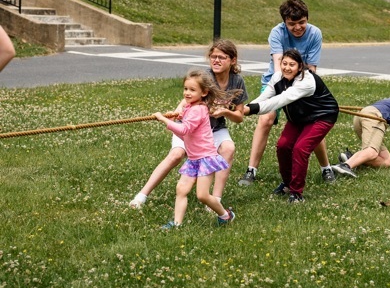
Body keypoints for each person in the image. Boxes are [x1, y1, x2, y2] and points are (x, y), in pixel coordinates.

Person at [129, 39, 248, 209]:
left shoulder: (237, 81)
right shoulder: (205, 77)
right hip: (190, 128)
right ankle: (141, 196)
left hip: (213, 129)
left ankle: (215, 201)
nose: (216, 60)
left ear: (233, 60)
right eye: (213, 56)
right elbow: (187, 98)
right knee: (176, 155)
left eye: (221, 57)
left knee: (228, 148)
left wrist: (224, 112)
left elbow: (239, 117)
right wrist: (177, 111)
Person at [238, 0, 335, 186]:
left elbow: (311, 68)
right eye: (292, 24)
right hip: (276, 81)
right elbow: (278, 65)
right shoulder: (277, 32)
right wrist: (281, 90)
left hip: (301, 84)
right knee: (265, 119)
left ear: (307, 19)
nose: (298, 27)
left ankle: (326, 168)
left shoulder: (315, 33)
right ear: (284, 22)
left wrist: (300, 91)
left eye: (302, 22)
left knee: (310, 122)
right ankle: (251, 170)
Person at [243, 49, 338, 203]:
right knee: (283, 146)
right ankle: (287, 184)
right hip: (299, 117)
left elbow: (280, 100)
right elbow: (265, 97)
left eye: (292, 65)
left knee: (301, 148)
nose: (287, 68)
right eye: (284, 63)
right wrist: (245, 107)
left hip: (321, 117)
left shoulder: (307, 81)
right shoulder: (277, 77)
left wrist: (251, 110)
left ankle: (297, 193)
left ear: (300, 67)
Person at [153, 68, 242, 228]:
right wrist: (173, 120)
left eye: (192, 90)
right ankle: (177, 224)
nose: (187, 93)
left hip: (205, 158)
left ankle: (225, 215)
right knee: (181, 189)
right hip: (194, 159)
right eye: (185, 88)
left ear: (204, 92)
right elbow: (185, 135)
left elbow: (184, 129)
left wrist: (163, 119)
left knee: (202, 195)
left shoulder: (198, 110)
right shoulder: (189, 108)